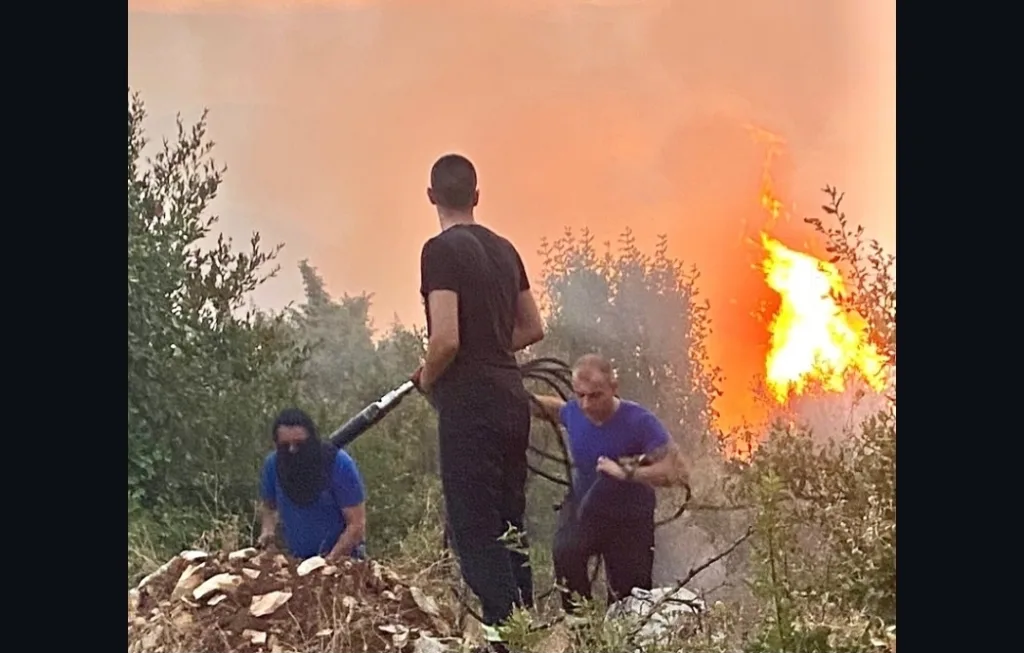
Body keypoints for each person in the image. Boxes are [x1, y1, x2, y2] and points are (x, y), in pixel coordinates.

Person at [412, 153, 546, 639]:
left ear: (431, 196)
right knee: (512, 527)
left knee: (475, 533)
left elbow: (446, 339)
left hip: (471, 406)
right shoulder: (505, 249)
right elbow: (533, 327)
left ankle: (507, 639)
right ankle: (525, 635)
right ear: (476, 195)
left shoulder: (439, 251)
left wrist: (428, 376)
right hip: (512, 398)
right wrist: (489, 344)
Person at [530, 354, 690, 613]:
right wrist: (513, 393)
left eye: (595, 396)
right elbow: (556, 409)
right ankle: (583, 634)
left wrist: (627, 472)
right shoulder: (574, 412)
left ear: (614, 388)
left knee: (629, 600)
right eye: (580, 395)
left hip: (629, 522)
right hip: (586, 509)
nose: (586, 404)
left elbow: (677, 471)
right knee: (566, 553)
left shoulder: (640, 421)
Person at [257, 407, 368, 561]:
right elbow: (269, 506)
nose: (292, 450)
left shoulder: (339, 463)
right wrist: (267, 531)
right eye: (285, 445)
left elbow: (356, 525)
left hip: (345, 561)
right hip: (297, 562)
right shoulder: (273, 465)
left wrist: (329, 562)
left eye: (299, 444)